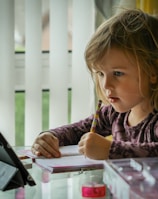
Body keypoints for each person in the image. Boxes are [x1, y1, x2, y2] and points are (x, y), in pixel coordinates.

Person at [31, 8, 158, 160]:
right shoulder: (114, 113)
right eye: (100, 73)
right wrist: (50, 137)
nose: (106, 85)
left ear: (152, 72)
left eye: (117, 73)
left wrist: (111, 150)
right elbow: (76, 130)